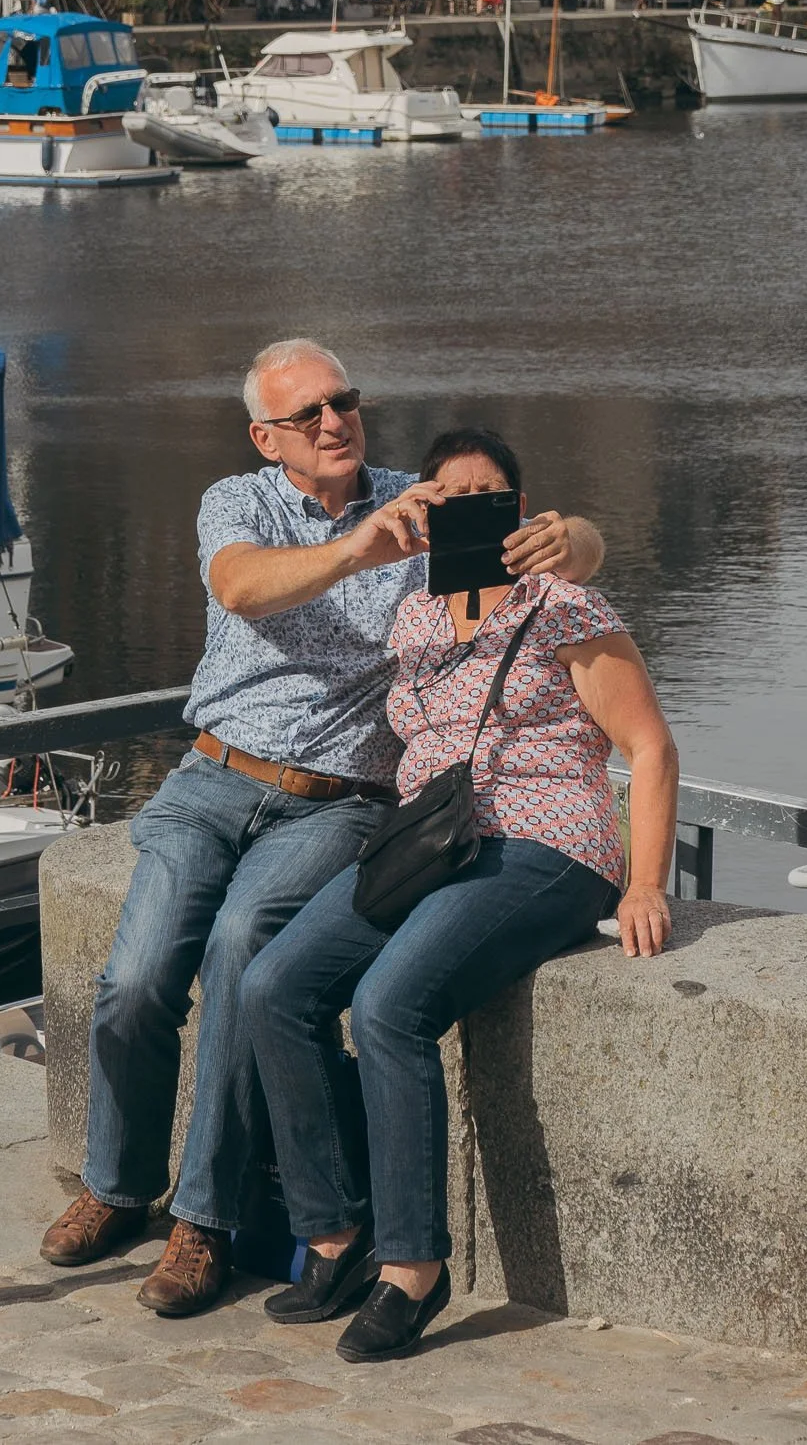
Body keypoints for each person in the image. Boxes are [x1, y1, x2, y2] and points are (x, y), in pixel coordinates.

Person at [40, 344, 603, 1318]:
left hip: (339, 797)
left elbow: (553, 554)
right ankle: (117, 1184)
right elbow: (241, 587)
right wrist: (359, 549)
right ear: (267, 437)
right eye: (307, 414)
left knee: (239, 949)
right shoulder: (239, 501)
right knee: (131, 978)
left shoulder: (418, 498)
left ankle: (202, 1223)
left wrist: (578, 537)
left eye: (343, 402)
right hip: (212, 778)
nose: (334, 421)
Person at [241, 424, 677, 1362]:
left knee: (391, 1003)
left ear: (519, 514)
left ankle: (413, 1269)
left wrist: (645, 883)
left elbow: (648, 746)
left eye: (489, 501)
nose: (468, 516)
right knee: (274, 986)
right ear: (427, 518)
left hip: (546, 844)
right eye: (448, 502)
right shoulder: (416, 618)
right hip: (431, 844)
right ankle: (334, 1233)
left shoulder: (564, 604)